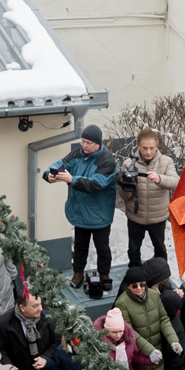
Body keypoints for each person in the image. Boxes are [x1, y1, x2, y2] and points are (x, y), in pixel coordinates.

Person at [44, 123, 120, 295]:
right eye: (82, 141)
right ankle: (77, 273)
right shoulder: (76, 154)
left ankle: (104, 275)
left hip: (99, 214)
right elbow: (60, 164)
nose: (84, 146)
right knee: (80, 246)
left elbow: (96, 184)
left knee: (102, 248)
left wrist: (72, 179)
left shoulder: (107, 161)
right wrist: (50, 174)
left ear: (98, 143)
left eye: (88, 143)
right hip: (79, 212)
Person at [115, 265, 183, 370]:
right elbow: (130, 332)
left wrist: (173, 340)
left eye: (142, 284)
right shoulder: (122, 303)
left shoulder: (153, 295)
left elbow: (163, 319)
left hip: (157, 345)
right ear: (128, 286)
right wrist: (149, 350)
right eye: (134, 286)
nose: (139, 288)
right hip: (140, 351)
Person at [117, 128, 180, 264]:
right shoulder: (129, 164)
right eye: (144, 148)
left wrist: (160, 179)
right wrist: (125, 184)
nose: (148, 152)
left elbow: (176, 182)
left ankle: (161, 274)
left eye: (152, 148)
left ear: (157, 146)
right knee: (133, 250)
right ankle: (135, 274)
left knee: (160, 249)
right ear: (138, 146)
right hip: (135, 216)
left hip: (158, 217)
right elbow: (125, 197)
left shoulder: (166, 162)